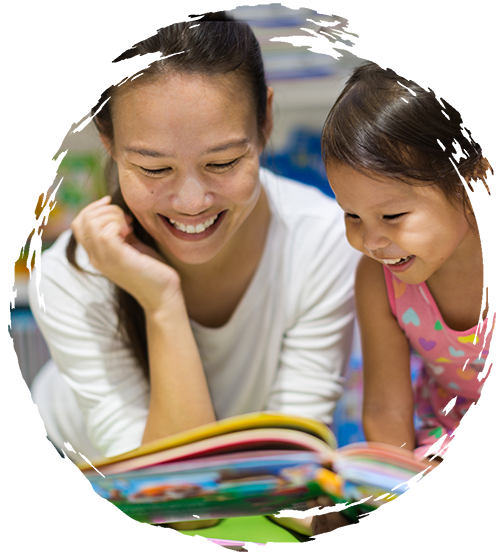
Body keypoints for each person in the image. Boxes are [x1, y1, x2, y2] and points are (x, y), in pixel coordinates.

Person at [28, 20, 360, 536]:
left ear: (266, 120)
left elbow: (287, 479)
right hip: (72, 461)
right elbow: (185, 502)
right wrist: (162, 302)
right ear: (108, 141)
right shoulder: (70, 278)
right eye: (154, 169)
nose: (191, 203)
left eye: (223, 162)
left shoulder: (320, 244)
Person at [320, 61, 504, 464]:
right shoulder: (379, 281)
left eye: (392, 216)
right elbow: (387, 411)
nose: (370, 241)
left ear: (473, 186)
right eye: (351, 215)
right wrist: (396, 494)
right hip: (447, 440)